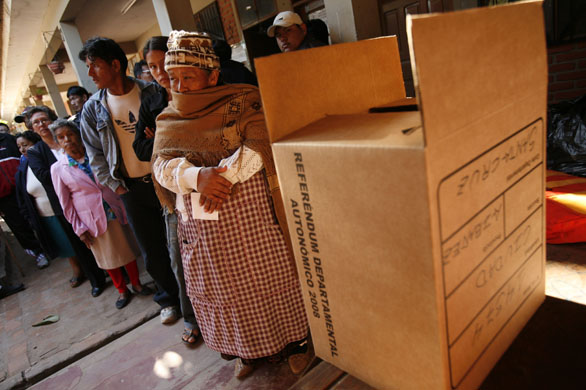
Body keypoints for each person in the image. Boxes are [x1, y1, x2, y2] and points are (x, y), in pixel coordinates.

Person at [152, 31, 310, 378]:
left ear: (212, 75)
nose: (180, 85)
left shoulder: (244, 100)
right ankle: (247, 352)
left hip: (252, 220)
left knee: (271, 280)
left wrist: (215, 179)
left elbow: (258, 146)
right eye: (174, 77)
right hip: (206, 231)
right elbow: (161, 167)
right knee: (227, 291)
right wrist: (197, 179)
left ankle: (295, 344)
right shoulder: (168, 119)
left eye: (188, 77)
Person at [78, 37, 180, 323]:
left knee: (183, 241)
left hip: (166, 181)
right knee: (152, 249)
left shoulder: (151, 91)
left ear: (114, 64)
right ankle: (168, 300)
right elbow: (94, 154)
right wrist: (117, 187)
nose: (90, 74)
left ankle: (194, 296)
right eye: (88, 67)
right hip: (132, 188)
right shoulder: (93, 108)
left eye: (94, 66)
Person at [133, 35, 200, 344]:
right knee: (179, 257)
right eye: (152, 67)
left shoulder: (199, 90)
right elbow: (142, 147)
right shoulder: (151, 102)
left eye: (164, 64)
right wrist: (163, 140)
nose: (159, 72)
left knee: (217, 257)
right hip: (173, 196)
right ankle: (191, 319)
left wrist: (162, 138)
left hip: (208, 187)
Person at [49, 119, 153, 309]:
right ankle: (122, 290)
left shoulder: (95, 155)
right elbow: (66, 204)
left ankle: (136, 283)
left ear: (78, 134)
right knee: (107, 256)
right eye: (61, 138)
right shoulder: (58, 169)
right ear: (57, 142)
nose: (67, 140)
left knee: (126, 248)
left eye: (70, 134)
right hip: (91, 217)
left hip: (114, 207)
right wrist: (79, 228)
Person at [25, 106, 106, 296]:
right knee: (80, 243)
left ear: (52, 120)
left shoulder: (69, 135)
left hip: (90, 196)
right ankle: (97, 280)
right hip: (64, 203)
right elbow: (45, 177)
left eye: (44, 119)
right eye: (36, 122)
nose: (41, 124)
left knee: (103, 236)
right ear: (32, 128)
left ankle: (118, 272)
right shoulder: (36, 151)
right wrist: (67, 174)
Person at [0, 129, 48, 269]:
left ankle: (49, 245)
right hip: (3, 198)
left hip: (22, 188)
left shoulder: (8, 140)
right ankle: (37, 253)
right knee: (19, 227)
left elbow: (24, 159)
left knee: (36, 217)